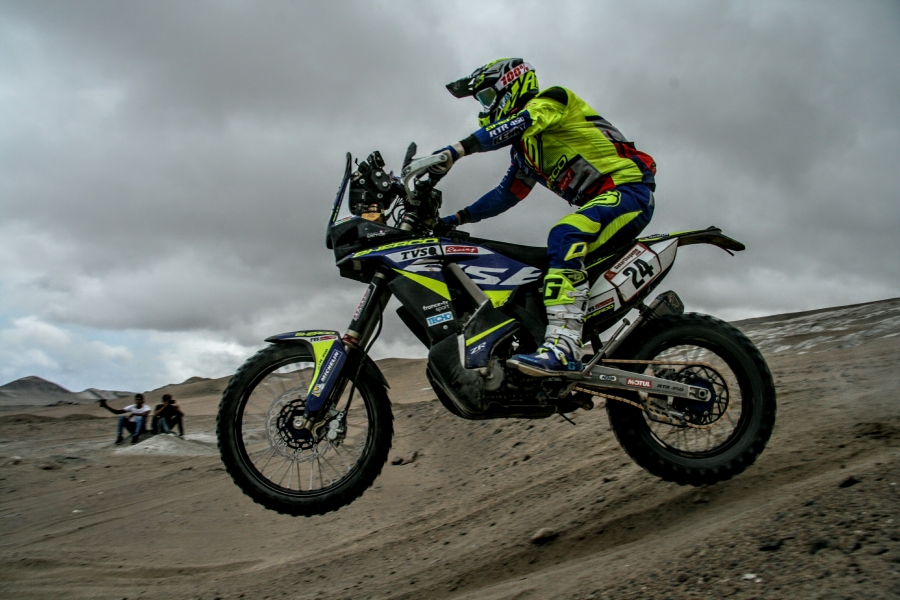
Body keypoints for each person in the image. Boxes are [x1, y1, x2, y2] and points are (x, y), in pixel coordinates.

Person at [432, 58, 657, 375]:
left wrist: (455, 150)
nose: (484, 108)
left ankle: (564, 348)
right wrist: (455, 219)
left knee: (564, 235)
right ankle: (540, 342)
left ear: (510, 84)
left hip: (628, 190)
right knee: (536, 274)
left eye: (486, 97)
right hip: (605, 202)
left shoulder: (553, 100)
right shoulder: (525, 151)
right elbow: (505, 195)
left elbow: (519, 122)